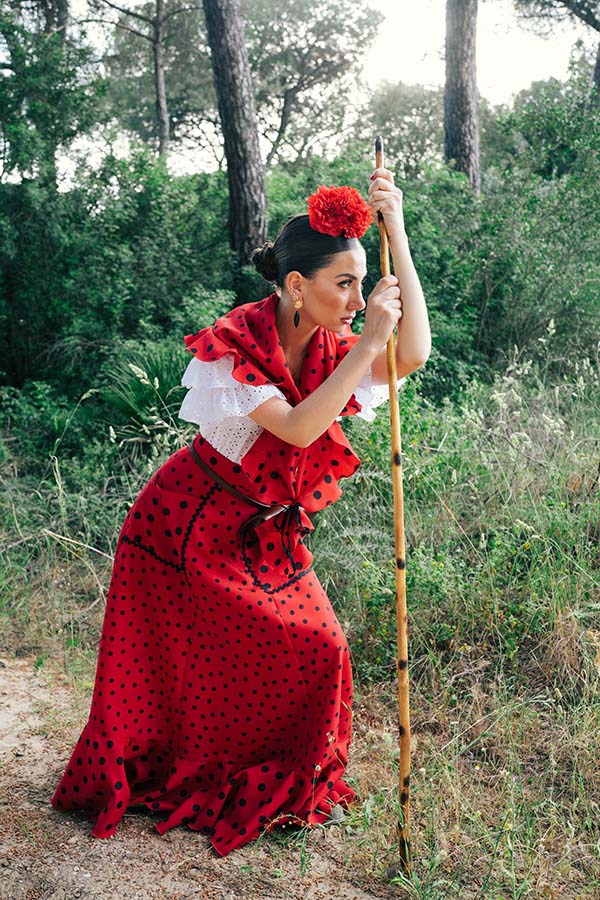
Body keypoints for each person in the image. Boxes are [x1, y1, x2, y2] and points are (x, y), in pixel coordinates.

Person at [50, 167, 431, 857]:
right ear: (295, 286)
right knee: (181, 669)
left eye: (358, 282)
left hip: (265, 529)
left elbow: (415, 352)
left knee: (321, 648)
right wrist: (370, 341)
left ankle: (285, 788)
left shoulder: (331, 344)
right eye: (342, 284)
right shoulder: (233, 346)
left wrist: (395, 231)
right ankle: (184, 779)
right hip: (183, 527)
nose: (354, 299)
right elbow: (296, 428)